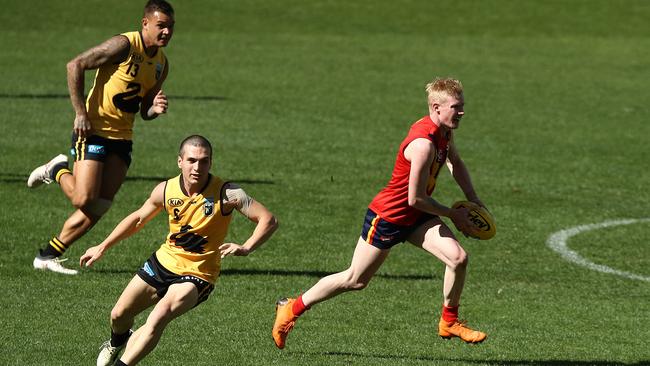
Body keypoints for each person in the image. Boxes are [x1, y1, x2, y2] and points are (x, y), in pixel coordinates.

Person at [272, 78, 490, 348]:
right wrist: (452, 214)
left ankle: (449, 322)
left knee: (458, 258)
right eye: (456, 107)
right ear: (436, 107)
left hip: (416, 215)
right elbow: (415, 198)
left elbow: (454, 162)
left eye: (462, 106)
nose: (461, 112)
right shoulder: (423, 144)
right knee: (355, 279)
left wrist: (474, 199)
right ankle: (291, 309)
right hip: (388, 217)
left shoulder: (444, 132)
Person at [80, 135, 279, 366]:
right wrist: (102, 246)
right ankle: (117, 342)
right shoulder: (165, 190)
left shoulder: (228, 193)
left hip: (198, 273)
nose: (197, 167)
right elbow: (137, 219)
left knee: (159, 316)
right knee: (118, 315)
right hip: (163, 262)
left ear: (211, 163)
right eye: (192, 160)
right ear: (180, 161)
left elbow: (268, 220)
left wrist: (246, 247)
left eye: (204, 161)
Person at [27, 0, 175, 275]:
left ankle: (47, 256)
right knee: (83, 199)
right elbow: (76, 65)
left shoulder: (161, 65)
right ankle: (57, 169)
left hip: (123, 138)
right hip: (93, 130)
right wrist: (80, 112)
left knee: (100, 206)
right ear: (145, 23)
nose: (166, 32)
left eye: (170, 27)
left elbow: (143, 110)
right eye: (161, 26)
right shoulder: (125, 45)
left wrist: (154, 109)